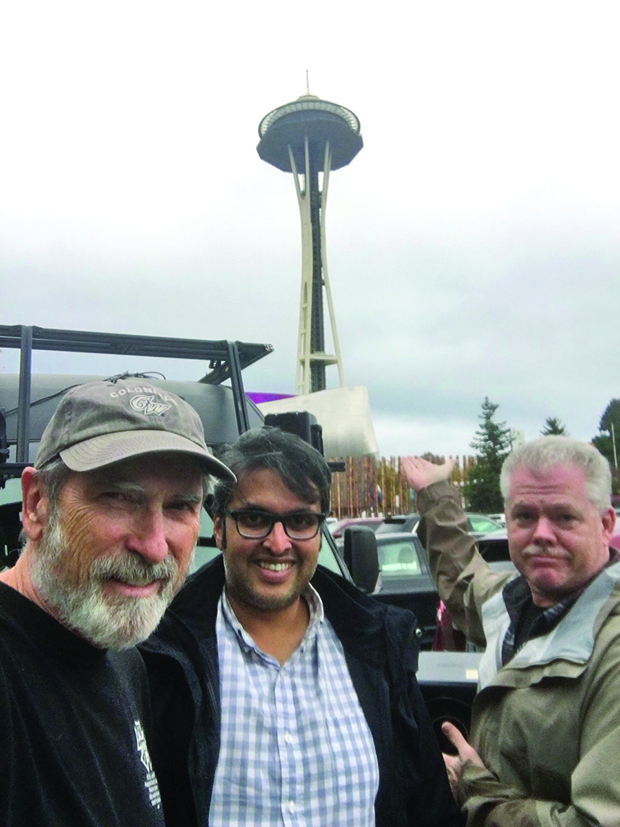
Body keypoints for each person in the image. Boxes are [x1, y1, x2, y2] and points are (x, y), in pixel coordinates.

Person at [141, 427, 463, 827]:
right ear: (219, 526)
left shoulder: (378, 649)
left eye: (300, 520)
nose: (278, 543)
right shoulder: (156, 658)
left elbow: (427, 807)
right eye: (254, 518)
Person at [0, 377, 234, 826]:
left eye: (181, 506)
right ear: (35, 505)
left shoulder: (126, 662)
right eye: (119, 497)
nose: (154, 547)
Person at [402, 437, 620, 826]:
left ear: (605, 524)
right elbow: (465, 581)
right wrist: (435, 494)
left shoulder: (611, 650)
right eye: (524, 516)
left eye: (564, 517)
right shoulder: (514, 602)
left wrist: (475, 789)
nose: (541, 534)